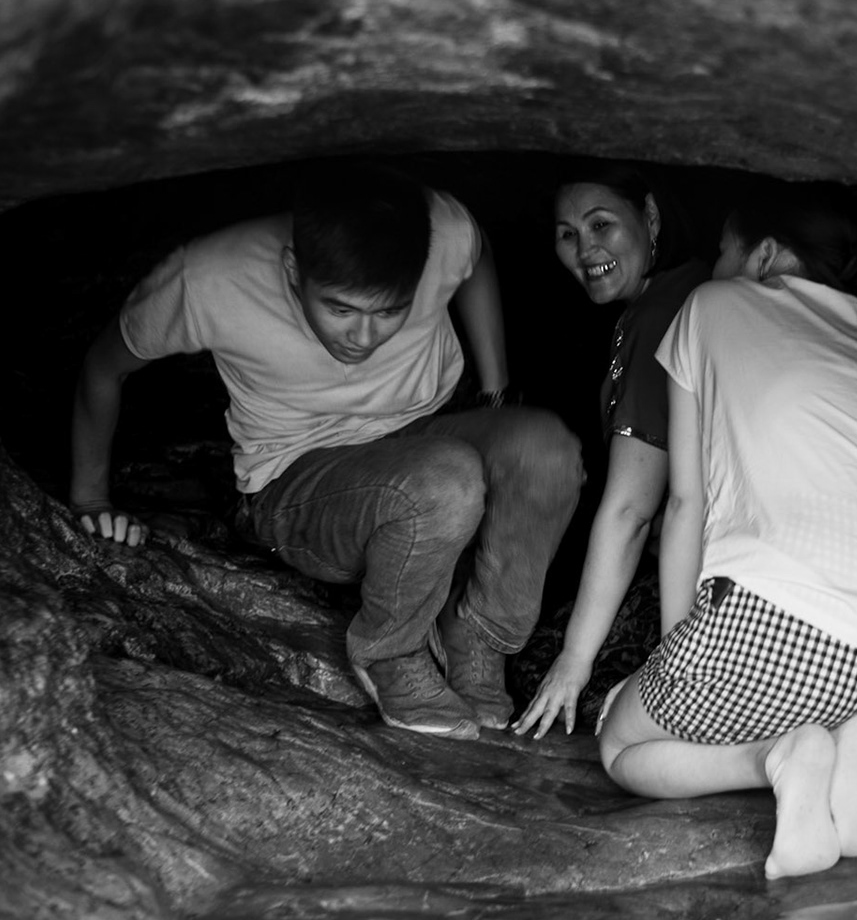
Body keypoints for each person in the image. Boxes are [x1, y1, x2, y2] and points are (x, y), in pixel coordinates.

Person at [69, 160, 582, 741]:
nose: (363, 338)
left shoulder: (444, 230)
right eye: (341, 309)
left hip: (424, 429)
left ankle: (479, 635)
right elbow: (103, 367)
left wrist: (496, 394)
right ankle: (391, 650)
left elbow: (478, 253)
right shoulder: (208, 278)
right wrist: (89, 498)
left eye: (389, 312)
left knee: (544, 450)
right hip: (297, 475)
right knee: (445, 481)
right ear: (293, 270)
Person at [596, 190, 857, 879]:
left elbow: (684, 504)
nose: (716, 266)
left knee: (619, 742)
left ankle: (778, 758)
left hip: (780, 639)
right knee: (834, 698)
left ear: (761, 253)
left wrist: (679, 656)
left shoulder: (708, 307)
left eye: (724, 252)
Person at [513, 163, 711, 739]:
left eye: (602, 225)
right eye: (567, 233)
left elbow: (631, 511)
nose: (585, 250)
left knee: (541, 674)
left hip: (714, 580)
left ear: (649, 217)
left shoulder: (659, 317)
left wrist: (574, 662)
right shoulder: (688, 289)